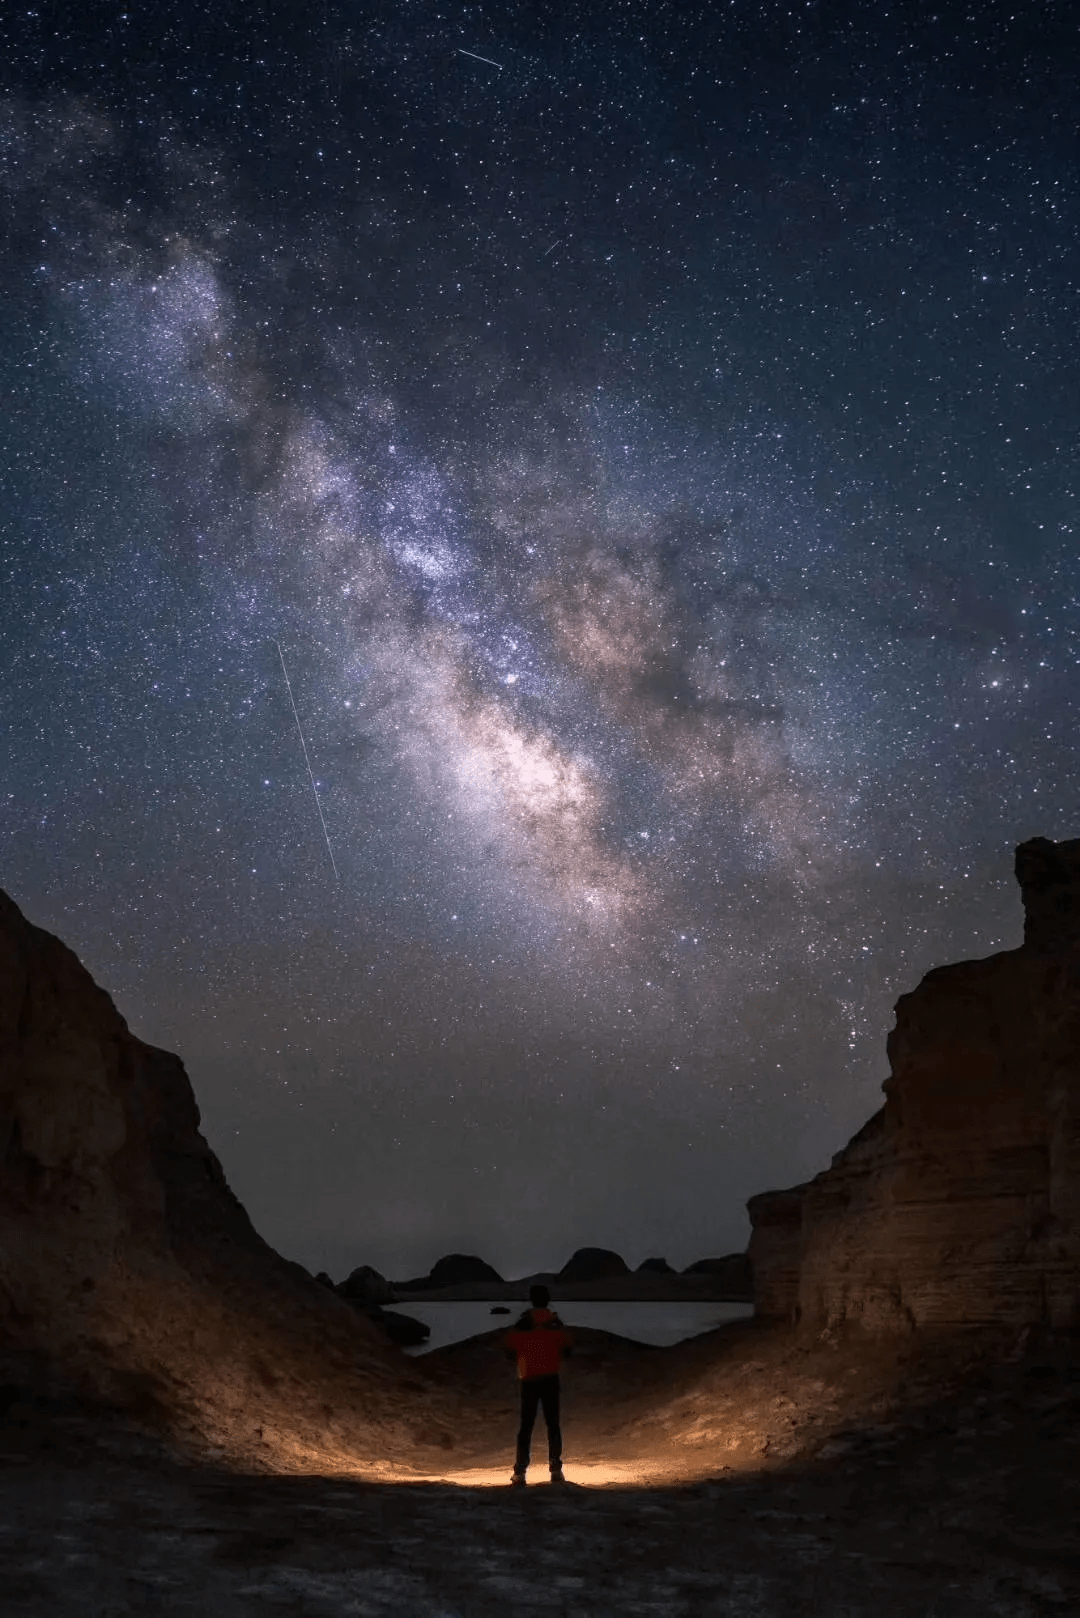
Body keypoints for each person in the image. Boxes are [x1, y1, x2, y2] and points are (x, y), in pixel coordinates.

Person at [504, 1283, 574, 1486]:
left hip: (529, 1378)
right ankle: (556, 1471)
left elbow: (509, 1351)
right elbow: (568, 1350)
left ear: (531, 1299)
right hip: (551, 1377)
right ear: (547, 1299)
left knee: (526, 1425)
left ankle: (520, 1473)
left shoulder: (523, 1322)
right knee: (553, 1424)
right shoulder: (555, 1322)